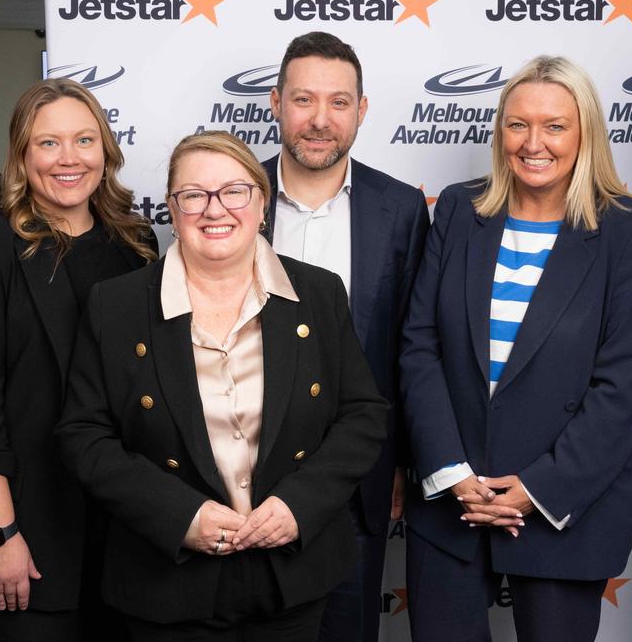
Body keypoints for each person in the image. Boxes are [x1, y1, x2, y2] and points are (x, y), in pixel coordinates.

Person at [55, 130, 389, 641]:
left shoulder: (319, 293)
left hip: (291, 578)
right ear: (172, 208)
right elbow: (84, 435)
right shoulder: (116, 305)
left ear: (261, 203)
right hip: (166, 581)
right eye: (194, 195)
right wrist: (179, 514)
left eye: (234, 191)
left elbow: (362, 414)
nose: (215, 210)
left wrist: (299, 505)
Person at [400, 55, 632, 641]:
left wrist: (536, 489)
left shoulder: (628, 230)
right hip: (454, 502)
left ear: (585, 132)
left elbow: (621, 384)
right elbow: (420, 348)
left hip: (565, 506)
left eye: (554, 126)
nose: (532, 142)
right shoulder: (461, 212)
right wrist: (450, 470)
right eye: (517, 124)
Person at [0, 78, 157, 641]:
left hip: (124, 532)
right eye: (48, 143)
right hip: (24, 528)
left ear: (106, 152)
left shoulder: (135, 247)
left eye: (84, 141)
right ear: (22, 155)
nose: (68, 159)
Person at [262, 30, 429, 642]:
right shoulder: (232, 198)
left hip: (357, 477)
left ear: (360, 111)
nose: (319, 120)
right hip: (239, 477)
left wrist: (401, 464)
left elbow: (413, 346)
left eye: (339, 103)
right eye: (304, 100)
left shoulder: (401, 210)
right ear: (276, 102)